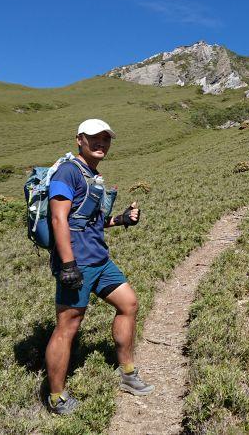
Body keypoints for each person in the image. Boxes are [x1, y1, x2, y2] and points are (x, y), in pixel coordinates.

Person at [44, 118, 154, 415]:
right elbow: (58, 218)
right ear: (79, 139)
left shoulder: (92, 174)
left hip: (100, 260)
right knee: (68, 326)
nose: (101, 143)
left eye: (106, 139)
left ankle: (127, 374)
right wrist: (68, 265)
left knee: (129, 304)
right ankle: (56, 398)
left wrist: (120, 219)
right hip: (77, 262)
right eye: (94, 137)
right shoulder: (68, 172)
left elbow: (88, 220)